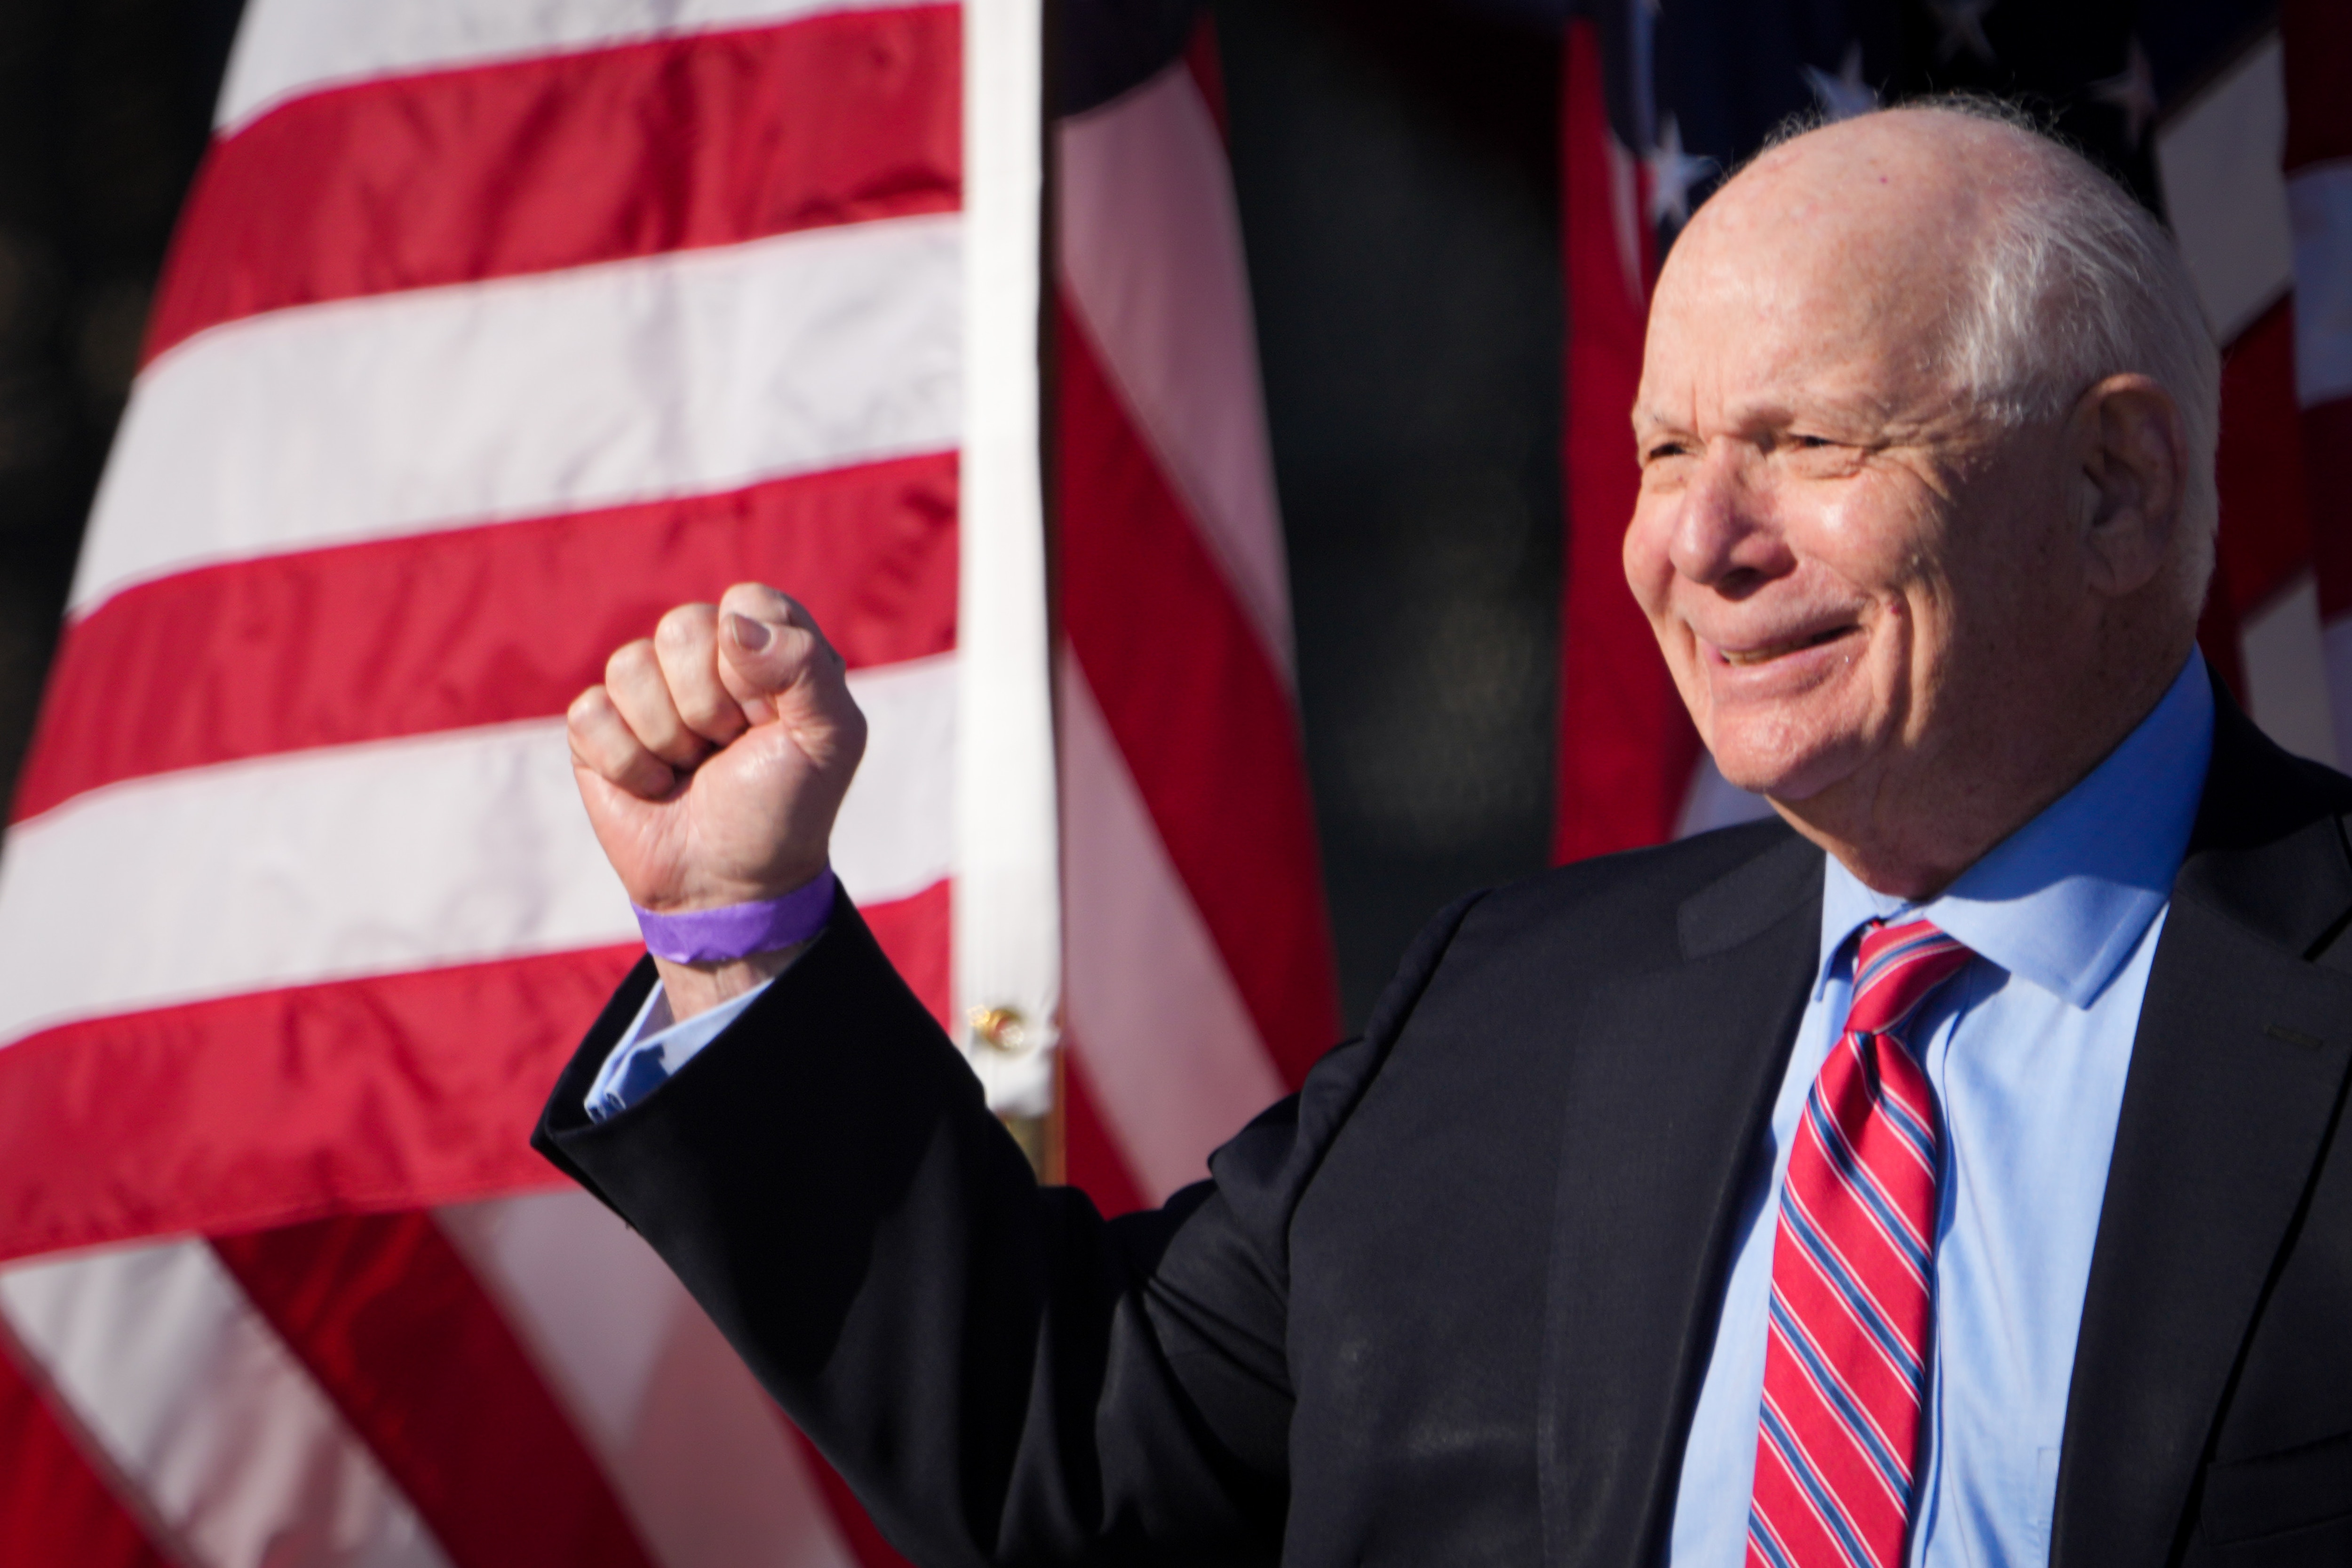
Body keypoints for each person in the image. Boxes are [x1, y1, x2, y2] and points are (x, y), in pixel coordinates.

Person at [534, 103, 2352, 1566]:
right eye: (1660, 455)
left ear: (2117, 487)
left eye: (1805, 441)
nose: (1697, 547)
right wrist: (742, 936)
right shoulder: (1512, 1007)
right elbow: (1074, 1456)